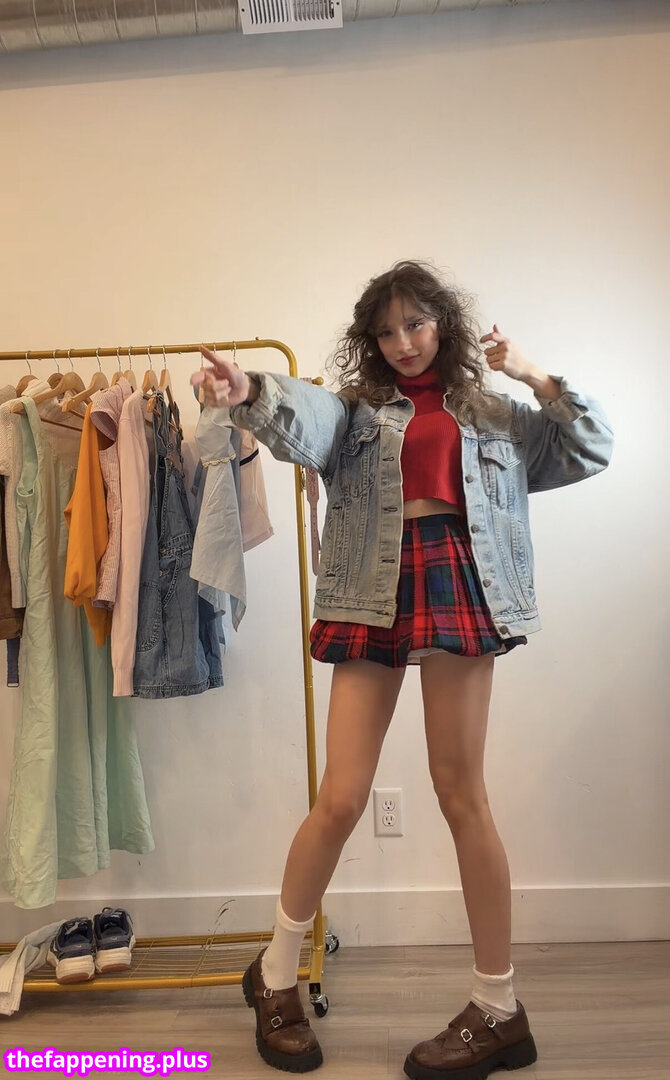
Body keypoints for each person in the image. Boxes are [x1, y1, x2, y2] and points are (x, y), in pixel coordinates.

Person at [191, 261, 613, 1080]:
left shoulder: (493, 412)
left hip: (461, 578)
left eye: (415, 324)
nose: (403, 342)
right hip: (370, 587)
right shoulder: (356, 412)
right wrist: (250, 390)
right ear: (371, 341)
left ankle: (499, 1008)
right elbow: (302, 418)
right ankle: (274, 973)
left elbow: (589, 445)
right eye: (386, 331)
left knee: (463, 794)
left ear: (443, 324)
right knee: (342, 796)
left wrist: (533, 374)